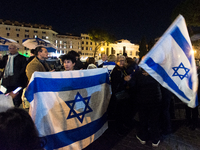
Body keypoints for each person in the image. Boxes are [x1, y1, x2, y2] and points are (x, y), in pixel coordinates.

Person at [134, 68, 162, 147]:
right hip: (155, 99)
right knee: (154, 120)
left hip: (143, 100)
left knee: (143, 119)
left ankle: (143, 137)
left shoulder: (138, 73)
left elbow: (134, 85)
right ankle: (155, 139)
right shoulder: (157, 72)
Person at [109, 55, 132, 135]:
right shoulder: (116, 71)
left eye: (123, 60)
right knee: (118, 112)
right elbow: (115, 82)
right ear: (116, 62)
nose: (122, 62)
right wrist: (124, 79)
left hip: (123, 94)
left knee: (122, 111)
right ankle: (118, 129)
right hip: (118, 95)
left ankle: (122, 126)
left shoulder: (123, 69)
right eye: (120, 60)